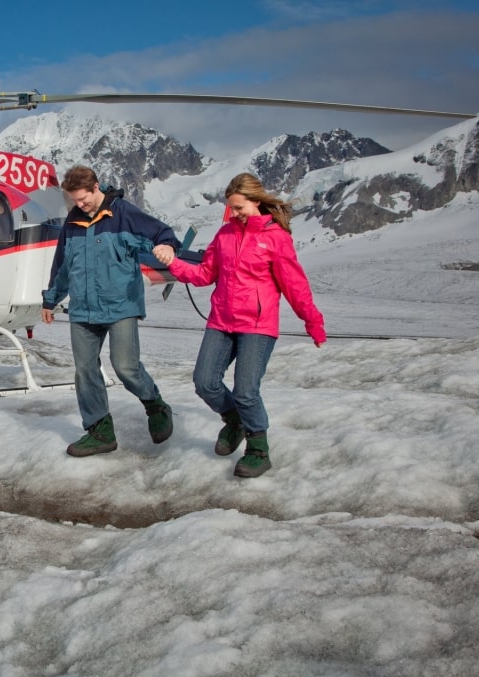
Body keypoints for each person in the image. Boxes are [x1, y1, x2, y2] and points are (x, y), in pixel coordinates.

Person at [153, 172, 326, 478]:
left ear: (255, 201)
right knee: (205, 382)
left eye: (238, 208)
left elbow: (295, 286)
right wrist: (173, 263)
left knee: (246, 391)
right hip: (221, 320)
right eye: (231, 209)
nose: (233, 214)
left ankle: (259, 449)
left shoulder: (276, 238)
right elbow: (205, 275)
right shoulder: (225, 235)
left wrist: (313, 321)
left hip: (257, 326)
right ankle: (235, 421)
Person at [42, 165, 181, 457]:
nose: (80, 206)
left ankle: (155, 405)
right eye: (75, 201)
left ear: (96, 188)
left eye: (83, 199)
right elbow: (63, 265)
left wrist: (167, 246)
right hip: (83, 309)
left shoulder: (123, 214)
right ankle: (99, 431)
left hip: (121, 306)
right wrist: (50, 299)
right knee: (85, 370)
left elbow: (162, 233)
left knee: (125, 367)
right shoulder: (73, 222)